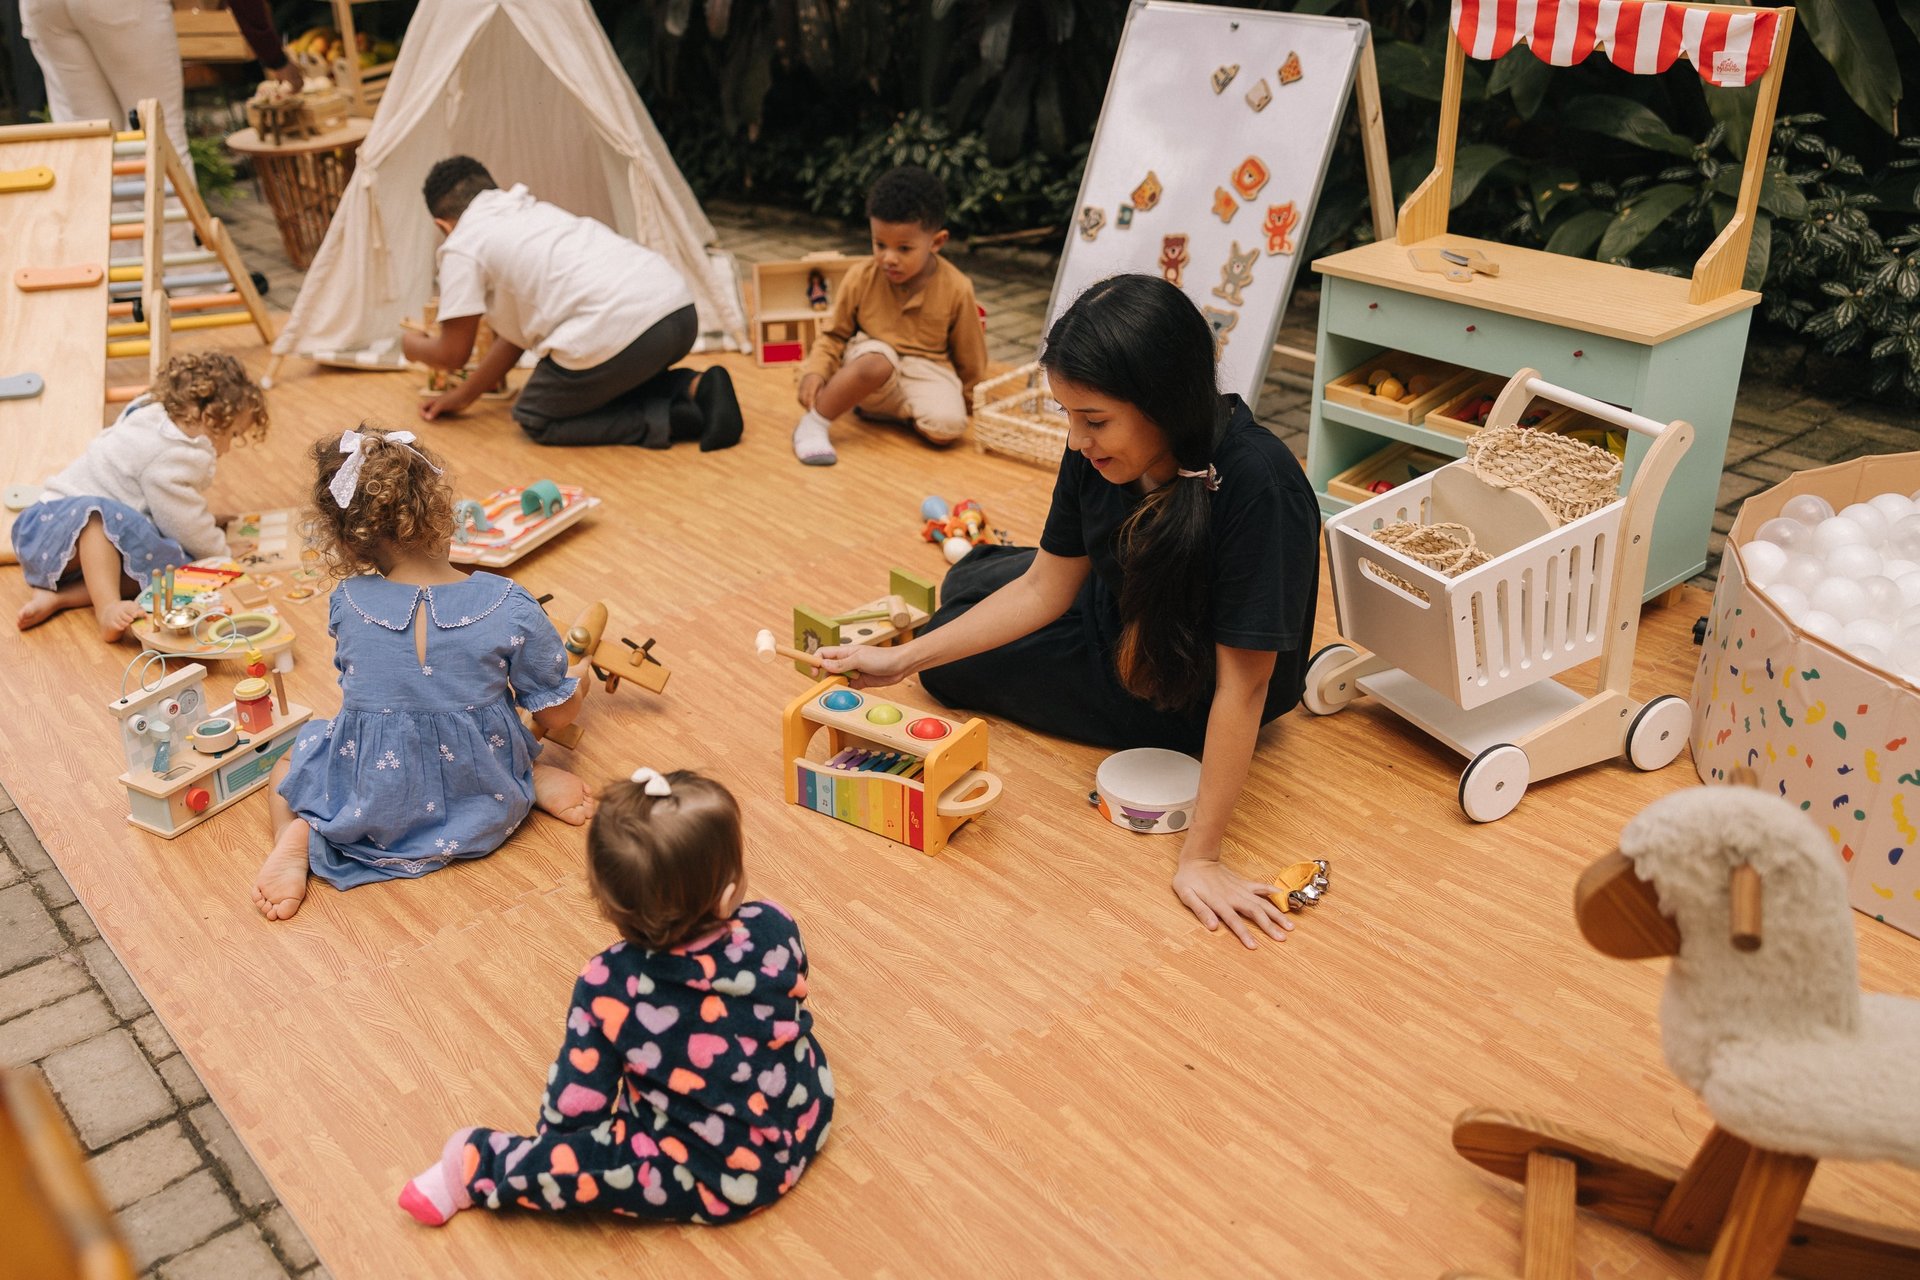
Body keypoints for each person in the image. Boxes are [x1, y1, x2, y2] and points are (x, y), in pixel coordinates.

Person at [817, 274, 1321, 948]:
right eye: (1069, 417)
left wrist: (1200, 858)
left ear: (1163, 402)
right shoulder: (1099, 449)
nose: (1078, 439)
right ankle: (962, 591)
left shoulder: (1260, 485)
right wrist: (897, 658)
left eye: (1094, 421)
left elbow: (1246, 682)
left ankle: (964, 619)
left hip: (1183, 684)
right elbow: (1043, 588)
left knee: (951, 669)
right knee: (967, 586)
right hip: (1120, 606)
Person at [398, 767, 833, 1226]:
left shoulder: (608, 983)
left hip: (717, 1175)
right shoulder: (774, 924)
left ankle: (473, 1165)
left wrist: (561, 1149)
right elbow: (790, 997)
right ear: (727, 897)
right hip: (805, 1114)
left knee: (595, 1167)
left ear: (609, 904)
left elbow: (577, 1097)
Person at [250, 426, 594, 922]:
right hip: (480, 790)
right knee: (493, 717)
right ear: (440, 510)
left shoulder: (346, 604)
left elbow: (371, 686)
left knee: (288, 766)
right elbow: (559, 716)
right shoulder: (510, 605)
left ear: (351, 545)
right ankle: (525, 779)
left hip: (372, 795)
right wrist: (577, 682)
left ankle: (297, 837)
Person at [401, 156, 742, 452]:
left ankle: (677, 417)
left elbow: (452, 353)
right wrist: (463, 396)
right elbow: (515, 338)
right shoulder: (528, 209)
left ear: (441, 224)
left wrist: (411, 346)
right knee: (590, 378)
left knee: (536, 414)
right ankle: (699, 386)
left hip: (628, 331)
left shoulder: (463, 243)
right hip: (678, 310)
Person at [12, 352, 267, 640]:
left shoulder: (152, 412)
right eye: (232, 434)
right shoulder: (175, 452)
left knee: (166, 565)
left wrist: (207, 521)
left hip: (58, 549)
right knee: (98, 519)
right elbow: (181, 520)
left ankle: (59, 598)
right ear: (210, 418)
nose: (229, 447)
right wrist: (221, 552)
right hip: (51, 527)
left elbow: (167, 508)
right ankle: (107, 608)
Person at [791, 165, 988, 466]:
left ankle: (881, 410)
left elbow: (970, 358)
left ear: (936, 242)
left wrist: (977, 404)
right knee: (877, 361)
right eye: (879, 244)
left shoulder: (958, 287)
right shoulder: (860, 276)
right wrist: (816, 370)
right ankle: (814, 423)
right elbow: (834, 335)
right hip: (871, 361)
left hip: (925, 370)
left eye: (904, 248)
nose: (888, 258)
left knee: (948, 427)